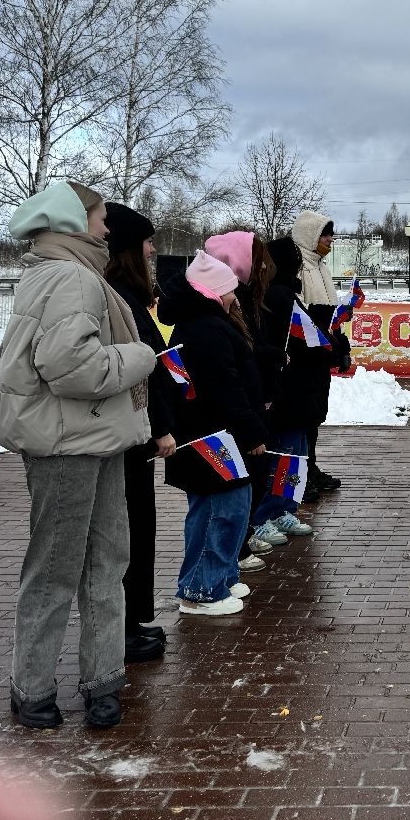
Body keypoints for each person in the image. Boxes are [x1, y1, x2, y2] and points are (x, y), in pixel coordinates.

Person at [0, 180, 156, 729]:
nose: (107, 229)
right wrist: (140, 356)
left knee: (103, 562)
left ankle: (100, 680)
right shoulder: (71, 278)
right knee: (64, 568)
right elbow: (74, 368)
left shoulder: (60, 273)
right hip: (67, 444)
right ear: (71, 221)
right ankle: (36, 688)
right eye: (99, 217)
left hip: (93, 438)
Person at [157, 251, 268, 616]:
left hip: (217, 435)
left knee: (230, 508)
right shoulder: (205, 328)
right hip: (212, 439)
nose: (235, 297)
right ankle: (200, 589)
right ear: (212, 292)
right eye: (229, 290)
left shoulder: (205, 323)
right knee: (219, 511)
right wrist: (252, 432)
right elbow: (225, 389)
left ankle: (219, 576)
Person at [103, 202, 179, 666]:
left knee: (138, 526)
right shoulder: (119, 297)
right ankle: (123, 629)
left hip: (137, 429)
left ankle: (132, 621)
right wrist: (162, 426)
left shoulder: (128, 294)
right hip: (131, 432)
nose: (153, 250)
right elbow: (144, 367)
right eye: (147, 242)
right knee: (128, 529)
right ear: (128, 248)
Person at [204, 231, 311, 556]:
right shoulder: (251, 299)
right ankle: (260, 518)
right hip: (270, 394)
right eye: (259, 260)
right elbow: (247, 348)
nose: (265, 267)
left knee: (292, 458)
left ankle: (279, 511)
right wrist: (275, 355)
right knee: (275, 461)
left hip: (278, 389)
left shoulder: (257, 295)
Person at [249, 236, 324, 539]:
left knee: (297, 457)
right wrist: (323, 348)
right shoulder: (279, 296)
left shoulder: (287, 294)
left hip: (300, 391)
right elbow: (303, 341)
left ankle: (285, 509)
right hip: (289, 390)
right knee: (285, 456)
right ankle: (267, 513)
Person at [291, 211, 344, 494]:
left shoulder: (321, 266)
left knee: (315, 414)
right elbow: (300, 317)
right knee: (301, 415)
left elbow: (328, 313)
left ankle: (310, 465)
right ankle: (299, 474)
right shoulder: (298, 267)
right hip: (304, 353)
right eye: (325, 235)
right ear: (311, 236)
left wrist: (338, 344)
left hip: (321, 351)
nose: (330, 240)